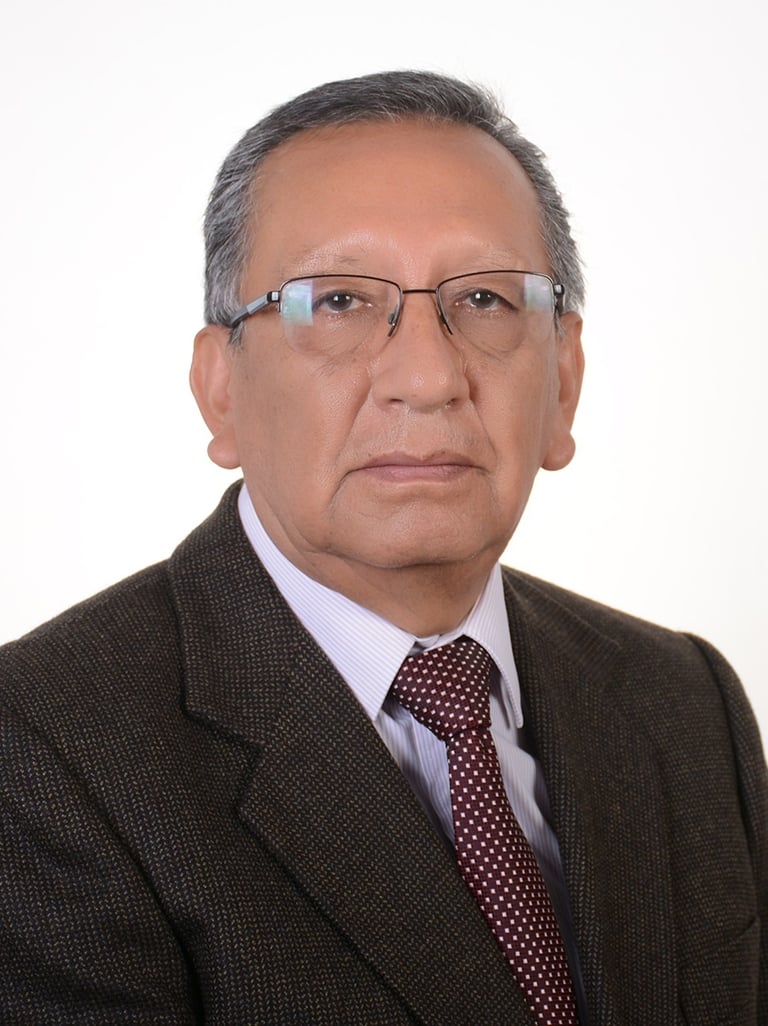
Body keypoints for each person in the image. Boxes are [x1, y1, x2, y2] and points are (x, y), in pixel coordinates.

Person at [0, 70, 765, 1026]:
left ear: (564, 384)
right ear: (220, 390)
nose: (428, 376)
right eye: (338, 301)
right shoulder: (42, 749)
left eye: (484, 298)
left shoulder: (685, 703)